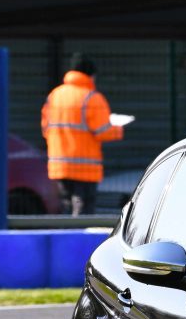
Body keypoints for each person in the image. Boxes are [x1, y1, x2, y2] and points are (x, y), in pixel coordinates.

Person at [41, 53, 124, 215]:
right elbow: (104, 132)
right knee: (83, 213)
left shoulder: (54, 96)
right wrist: (117, 128)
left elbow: (46, 129)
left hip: (59, 166)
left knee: (66, 208)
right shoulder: (92, 98)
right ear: (91, 75)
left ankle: (65, 239)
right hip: (85, 168)